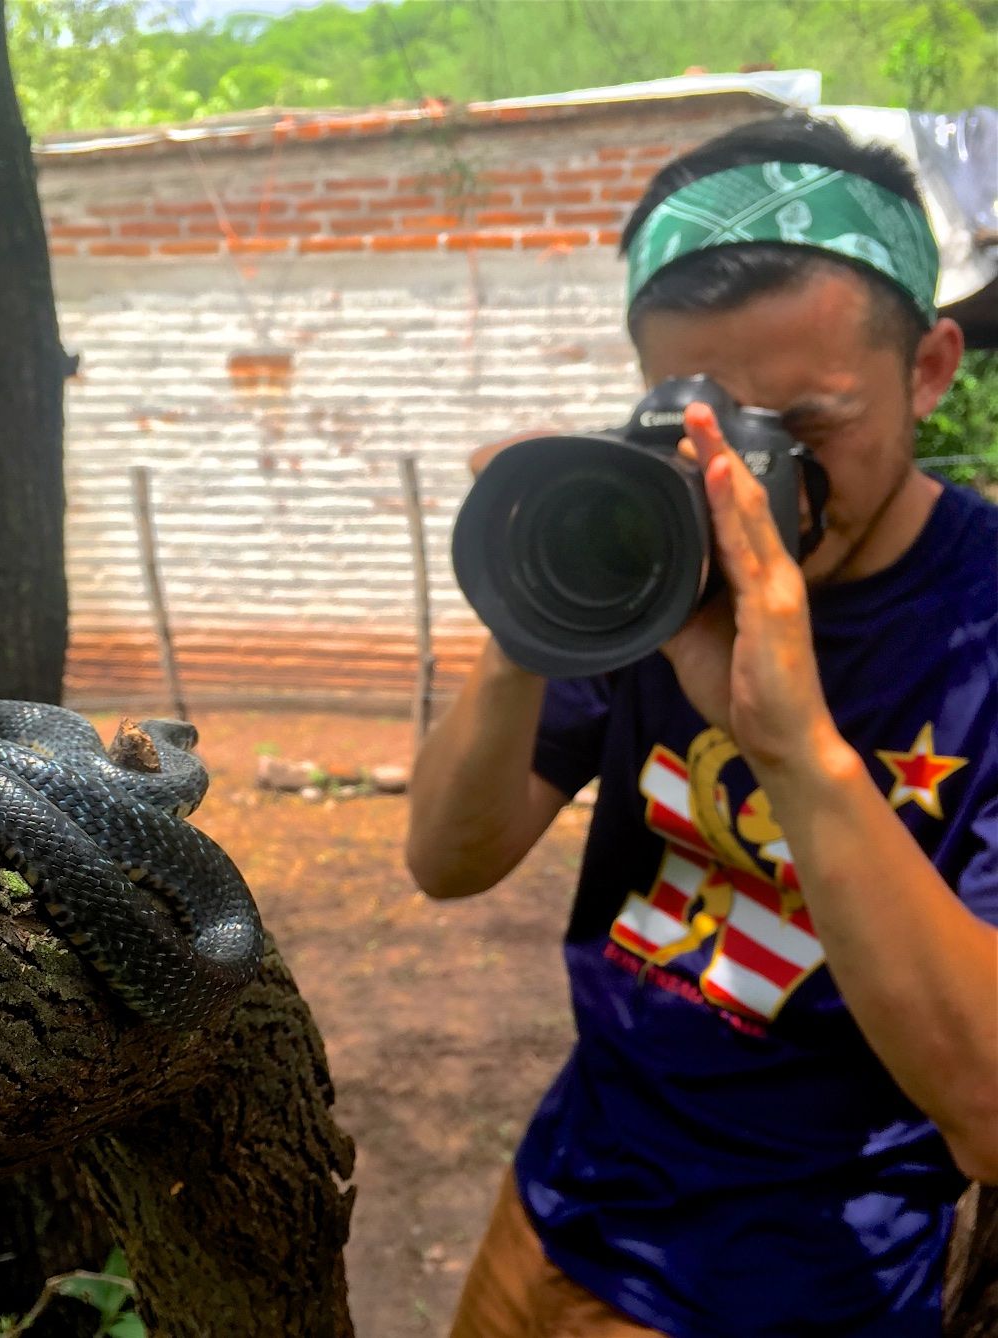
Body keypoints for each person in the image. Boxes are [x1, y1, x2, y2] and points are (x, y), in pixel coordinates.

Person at [406, 113, 998, 1338]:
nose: (750, 481)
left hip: (796, 1286)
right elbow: (449, 861)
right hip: (564, 1200)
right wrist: (532, 612)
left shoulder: (983, 628)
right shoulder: (653, 559)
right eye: (703, 429)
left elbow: (990, 1107)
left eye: (812, 426)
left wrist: (794, 747)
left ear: (932, 367)